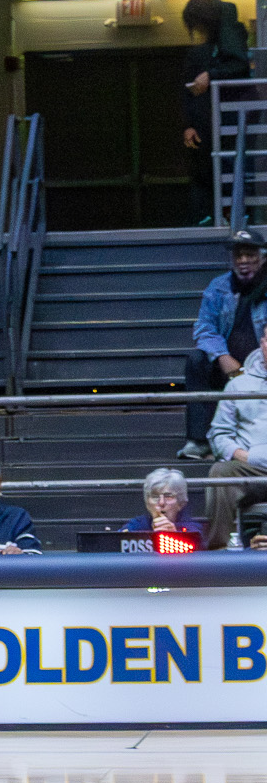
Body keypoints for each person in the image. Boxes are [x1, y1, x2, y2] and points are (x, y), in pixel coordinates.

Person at [181, 227, 267, 461]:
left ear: (263, 257)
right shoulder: (219, 287)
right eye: (238, 255)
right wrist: (222, 357)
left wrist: (255, 365)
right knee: (197, 360)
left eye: (250, 255)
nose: (243, 261)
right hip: (228, 365)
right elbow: (204, 328)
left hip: (262, 366)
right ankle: (199, 441)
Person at [182, 0, 252, 224]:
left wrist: (189, 124)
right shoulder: (229, 36)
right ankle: (230, 215)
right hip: (220, 120)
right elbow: (239, 65)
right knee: (229, 168)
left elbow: (238, 66)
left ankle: (216, 216)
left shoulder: (208, 50)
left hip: (214, 122)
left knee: (218, 170)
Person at [205, 346, 267, 548]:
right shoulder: (238, 385)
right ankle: (219, 552)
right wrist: (239, 455)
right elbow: (219, 433)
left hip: (254, 459)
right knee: (221, 473)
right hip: (251, 469)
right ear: (262, 343)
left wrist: (254, 456)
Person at [123, 467, 203, 541]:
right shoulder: (136, 526)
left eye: (168, 496)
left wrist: (174, 535)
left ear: (180, 503)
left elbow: (199, 548)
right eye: (155, 496)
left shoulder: (193, 530)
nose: (161, 502)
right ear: (147, 503)